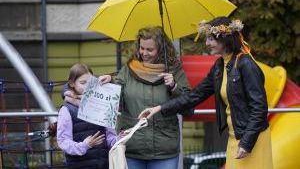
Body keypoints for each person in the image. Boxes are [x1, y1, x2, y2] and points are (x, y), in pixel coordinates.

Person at [139, 17, 273, 169]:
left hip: (252, 139)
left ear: (225, 39)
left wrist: (247, 143)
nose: (207, 43)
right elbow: (194, 96)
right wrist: (159, 108)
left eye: (210, 39)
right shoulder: (219, 66)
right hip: (235, 138)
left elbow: (260, 108)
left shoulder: (246, 64)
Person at [96, 26, 191, 169]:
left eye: (150, 50)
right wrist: (109, 81)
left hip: (164, 151)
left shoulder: (175, 72)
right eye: (142, 48)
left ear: (161, 49)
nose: (144, 53)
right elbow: (117, 90)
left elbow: (188, 107)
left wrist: (174, 87)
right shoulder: (128, 69)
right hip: (132, 148)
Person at [57, 63, 118, 169]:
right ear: (72, 84)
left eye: (90, 82)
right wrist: (84, 145)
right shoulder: (67, 110)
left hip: (103, 164)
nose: (87, 86)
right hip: (78, 164)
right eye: (82, 82)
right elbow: (63, 141)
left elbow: (110, 137)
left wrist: (120, 139)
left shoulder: (103, 104)